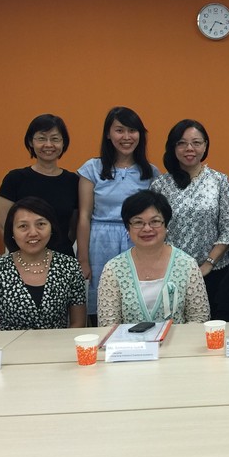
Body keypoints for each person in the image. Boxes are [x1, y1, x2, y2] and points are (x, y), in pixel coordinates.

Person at [77, 107, 159, 324]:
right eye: (119, 130)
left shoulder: (151, 173)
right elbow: (84, 216)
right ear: (108, 134)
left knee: (139, 297)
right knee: (104, 301)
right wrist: (83, 259)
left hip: (138, 238)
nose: (126, 137)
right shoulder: (91, 169)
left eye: (132, 130)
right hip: (100, 241)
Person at [150, 120, 229, 316]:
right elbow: (154, 229)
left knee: (215, 330)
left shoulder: (219, 180)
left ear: (205, 146)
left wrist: (207, 264)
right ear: (173, 147)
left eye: (196, 143)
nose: (189, 148)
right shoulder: (160, 185)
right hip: (171, 272)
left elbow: (228, 228)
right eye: (182, 143)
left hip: (214, 272)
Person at [97, 190, 210, 326]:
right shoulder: (113, 269)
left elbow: (199, 317)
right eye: (138, 222)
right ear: (128, 228)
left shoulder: (187, 264)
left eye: (155, 221)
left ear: (166, 225)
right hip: (129, 346)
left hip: (177, 345)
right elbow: (107, 324)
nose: (147, 229)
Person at [0, 197, 86, 330]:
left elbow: (79, 323)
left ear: (51, 227)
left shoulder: (69, 267)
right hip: (10, 348)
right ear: (12, 231)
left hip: (55, 347)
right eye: (23, 226)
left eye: (41, 224)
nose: (33, 233)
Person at [0, 114, 79, 257]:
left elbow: (73, 229)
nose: (48, 145)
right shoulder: (14, 179)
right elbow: (5, 226)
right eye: (41, 138)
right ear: (30, 142)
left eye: (55, 139)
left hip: (63, 260)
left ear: (63, 143)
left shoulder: (73, 181)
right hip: (23, 261)